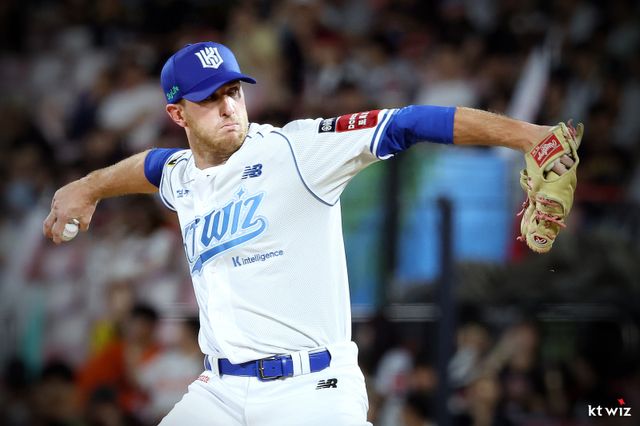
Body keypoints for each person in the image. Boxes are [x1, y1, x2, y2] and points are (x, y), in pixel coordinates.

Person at [43, 41, 576, 425]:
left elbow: (408, 122)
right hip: (220, 393)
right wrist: (87, 187)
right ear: (176, 113)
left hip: (311, 390)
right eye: (209, 98)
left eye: (233, 91)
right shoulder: (182, 176)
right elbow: (151, 166)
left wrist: (527, 137)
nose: (228, 107)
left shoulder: (297, 150)